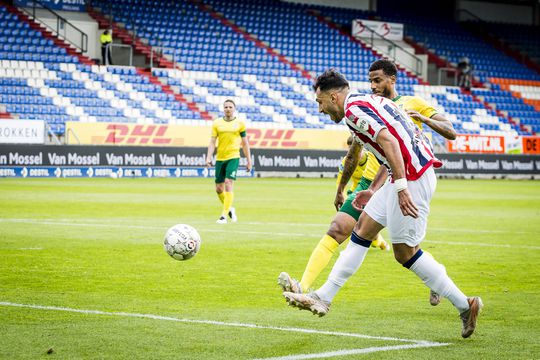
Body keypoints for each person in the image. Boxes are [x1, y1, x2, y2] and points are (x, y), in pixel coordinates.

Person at [283, 69, 482, 338]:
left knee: (406, 253)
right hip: (405, 173)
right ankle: (323, 297)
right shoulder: (368, 102)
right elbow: (391, 144)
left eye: (320, 103)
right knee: (362, 230)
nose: (320, 109)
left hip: (412, 177)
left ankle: (465, 304)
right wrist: (375, 189)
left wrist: (401, 188)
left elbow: (390, 142)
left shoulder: (354, 111)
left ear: (333, 96)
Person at [206, 99, 252, 224]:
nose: (228, 109)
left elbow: (245, 143)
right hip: (220, 158)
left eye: (230, 107)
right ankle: (230, 208)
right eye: (226, 107)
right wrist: (208, 157)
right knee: (219, 189)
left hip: (233, 156)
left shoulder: (240, 123)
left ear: (234, 108)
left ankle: (223, 216)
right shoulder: (217, 123)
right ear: (223, 109)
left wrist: (249, 160)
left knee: (228, 183)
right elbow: (212, 142)